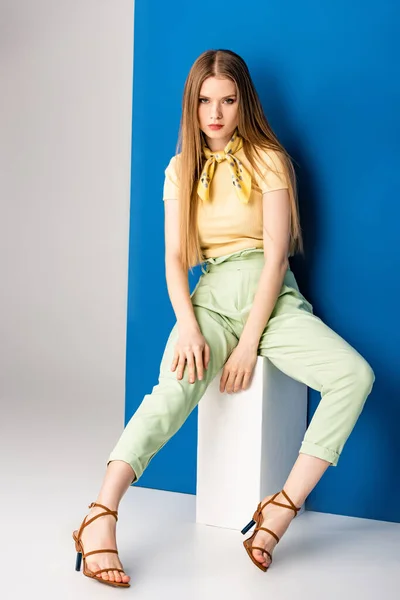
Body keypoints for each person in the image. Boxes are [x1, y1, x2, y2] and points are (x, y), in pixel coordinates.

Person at [72, 49, 375, 586]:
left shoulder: (268, 159)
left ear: (243, 102)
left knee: (354, 377)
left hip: (272, 300)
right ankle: (100, 516)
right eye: (205, 100)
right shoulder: (179, 169)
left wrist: (247, 342)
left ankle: (280, 507)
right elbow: (172, 258)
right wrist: (189, 326)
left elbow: (277, 254)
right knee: (170, 393)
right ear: (193, 105)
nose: (216, 112)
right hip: (210, 301)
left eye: (228, 100)